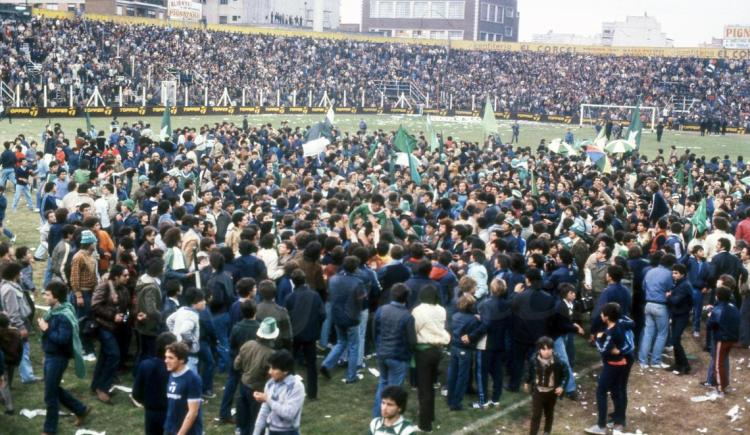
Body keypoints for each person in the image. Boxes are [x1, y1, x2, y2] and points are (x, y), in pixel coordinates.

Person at [37, 281, 90, 435]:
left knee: (50, 395)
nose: (45, 297)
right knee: (52, 388)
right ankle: (80, 409)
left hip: (58, 359)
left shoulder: (63, 315)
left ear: (57, 297)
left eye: (48, 295)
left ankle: (49, 430)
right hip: (51, 356)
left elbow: (62, 339)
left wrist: (46, 329)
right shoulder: (54, 310)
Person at [586, 302, 632, 434]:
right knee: (616, 391)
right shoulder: (621, 325)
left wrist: (597, 340)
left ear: (606, 317)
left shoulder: (609, 333)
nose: (600, 315)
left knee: (601, 391)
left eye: (602, 313)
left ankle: (601, 426)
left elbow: (603, 350)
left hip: (612, 366)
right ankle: (619, 421)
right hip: (621, 363)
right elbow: (631, 325)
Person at [371, 283, 416, 417]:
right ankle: (387, 419)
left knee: (383, 384)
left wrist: (379, 347)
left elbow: (374, 331)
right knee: (393, 391)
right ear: (406, 298)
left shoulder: (381, 310)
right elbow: (412, 341)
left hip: (382, 353)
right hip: (398, 356)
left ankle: (377, 417)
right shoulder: (407, 316)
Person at [320, 256, 365, 384]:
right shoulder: (358, 282)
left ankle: (326, 364)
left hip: (337, 316)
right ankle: (351, 376)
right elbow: (361, 300)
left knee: (341, 342)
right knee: (353, 346)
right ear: (355, 268)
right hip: (351, 317)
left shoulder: (333, 279)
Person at [412, 284, 450, 432]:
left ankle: (425, 425)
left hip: (424, 351)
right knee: (430, 386)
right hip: (438, 350)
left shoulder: (418, 310)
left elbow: (414, 329)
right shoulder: (441, 309)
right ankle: (430, 415)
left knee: (424, 389)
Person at [90, 264, 130, 404]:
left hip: (115, 328)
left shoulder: (124, 290)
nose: (127, 278)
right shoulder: (105, 286)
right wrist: (113, 316)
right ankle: (103, 388)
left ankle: (96, 385)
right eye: (124, 275)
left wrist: (127, 318)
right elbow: (95, 305)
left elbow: (125, 310)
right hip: (103, 326)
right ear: (116, 276)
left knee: (105, 355)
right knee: (114, 355)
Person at [284, 269, 325, 400]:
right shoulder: (314, 295)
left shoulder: (290, 297)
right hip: (310, 334)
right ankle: (312, 394)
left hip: (294, 334)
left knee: (290, 363)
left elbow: (286, 317)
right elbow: (322, 314)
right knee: (311, 364)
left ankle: (289, 392)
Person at [234, 317, 278, 435]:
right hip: (258, 390)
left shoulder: (248, 344)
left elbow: (236, 365)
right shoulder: (271, 354)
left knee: (243, 418)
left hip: (243, 385)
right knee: (257, 422)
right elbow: (272, 377)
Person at [475, 278, 511, 408]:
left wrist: (472, 336)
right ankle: (496, 398)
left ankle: (482, 400)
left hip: (487, 342)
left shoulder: (487, 304)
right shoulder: (507, 304)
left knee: (482, 372)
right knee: (497, 371)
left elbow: (487, 324)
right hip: (500, 341)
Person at [132, 332, 178, 435]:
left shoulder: (145, 365)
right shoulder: (176, 369)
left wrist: (146, 403)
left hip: (151, 412)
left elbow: (136, 393)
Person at [252, 349, 305, 435]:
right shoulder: (270, 383)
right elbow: (264, 410)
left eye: (274, 368)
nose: (270, 372)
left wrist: (267, 399)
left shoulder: (296, 386)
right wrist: (256, 432)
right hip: (270, 430)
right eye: (270, 367)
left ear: (285, 370)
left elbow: (289, 414)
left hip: (288, 432)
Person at [638, 254, 676, 369]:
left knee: (648, 333)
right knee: (661, 334)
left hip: (648, 304)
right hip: (661, 306)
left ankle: (643, 361)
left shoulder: (650, 271)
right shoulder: (669, 274)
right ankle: (655, 361)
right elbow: (671, 288)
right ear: (671, 264)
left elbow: (643, 287)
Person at [446, 294, 483, 411]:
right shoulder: (473, 320)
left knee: (452, 374)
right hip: (465, 350)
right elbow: (477, 332)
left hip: (454, 347)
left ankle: (450, 398)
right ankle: (456, 403)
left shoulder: (455, 316)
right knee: (462, 376)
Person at [524, 336, 567, 435]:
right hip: (538, 391)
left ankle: (547, 432)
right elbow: (529, 371)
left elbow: (566, 374)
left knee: (549, 413)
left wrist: (561, 386)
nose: (547, 351)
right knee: (536, 415)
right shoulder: (534, 359)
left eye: (549, 349)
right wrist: (527, 382)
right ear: (539, 350)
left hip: (552, 392)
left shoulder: (558, 361)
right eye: (543, 349)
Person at [705, 286, 741, 397]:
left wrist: (710, 315)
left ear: (717, 296)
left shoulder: (718, 309)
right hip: (732, 338)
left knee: (718, 364)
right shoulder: (733, 307)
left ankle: (720, 389)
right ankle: (726, 384)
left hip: (722, 338)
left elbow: (710, 325)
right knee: (723, 362)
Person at [70, 229, 99, 358]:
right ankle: (85, 350)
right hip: (83, 294)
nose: (96, 244)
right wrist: (79, 295)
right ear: (89, 243)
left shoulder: (90, 256)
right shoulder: (78, 257)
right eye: (94, 242)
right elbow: (74, 278)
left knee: (89, 321)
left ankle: (86, 348)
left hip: (91, 293)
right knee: (83, 322)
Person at [163, 341, 203, 435]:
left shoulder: (192, 379)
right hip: (170, 428)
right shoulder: (172, 374)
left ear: (181, 360)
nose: (166, 360)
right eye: (166, 357)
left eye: (170, 358)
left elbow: (193, 412)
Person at [134, 257, 166, 366]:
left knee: (143, 351)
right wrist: (161, 316)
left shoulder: (142, 279)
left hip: (143, 321)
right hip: (150, 324)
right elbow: (151, 309)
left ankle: (138, 372)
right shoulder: (151, 287)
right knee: (149, 352)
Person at [665, 264, 693, 374]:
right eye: (673, 273)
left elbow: (676, 300)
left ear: (683, 274)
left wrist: (668, 296)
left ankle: (685, 365)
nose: (673, 275)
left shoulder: (685, 285)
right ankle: (678, 364)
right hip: (677, 314)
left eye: (676, 273)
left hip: (682, 315)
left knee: (675, 340)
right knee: (675, 340)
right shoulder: (679, 283)